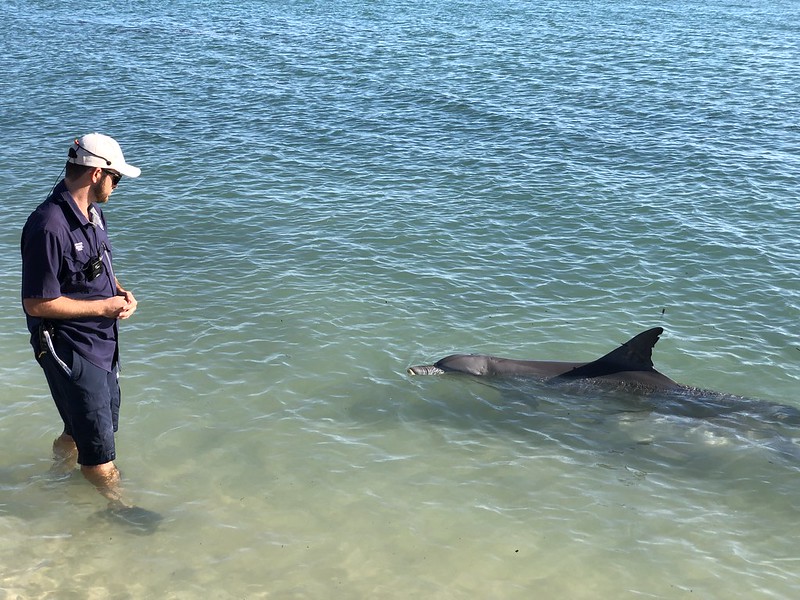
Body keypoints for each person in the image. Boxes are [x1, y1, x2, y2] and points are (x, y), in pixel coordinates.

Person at [21, 133, 141, 510]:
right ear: (95, 174)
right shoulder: (48, 226)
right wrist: (101, 309)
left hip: (102, 344)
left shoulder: (92, 213)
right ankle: (120, 508)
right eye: (116, 178)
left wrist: (121, 293)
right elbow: (37, 303)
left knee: (82, 427)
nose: (117, 186)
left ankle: (57, 473)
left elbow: (98, 266)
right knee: (99, 452)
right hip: (71, 349)